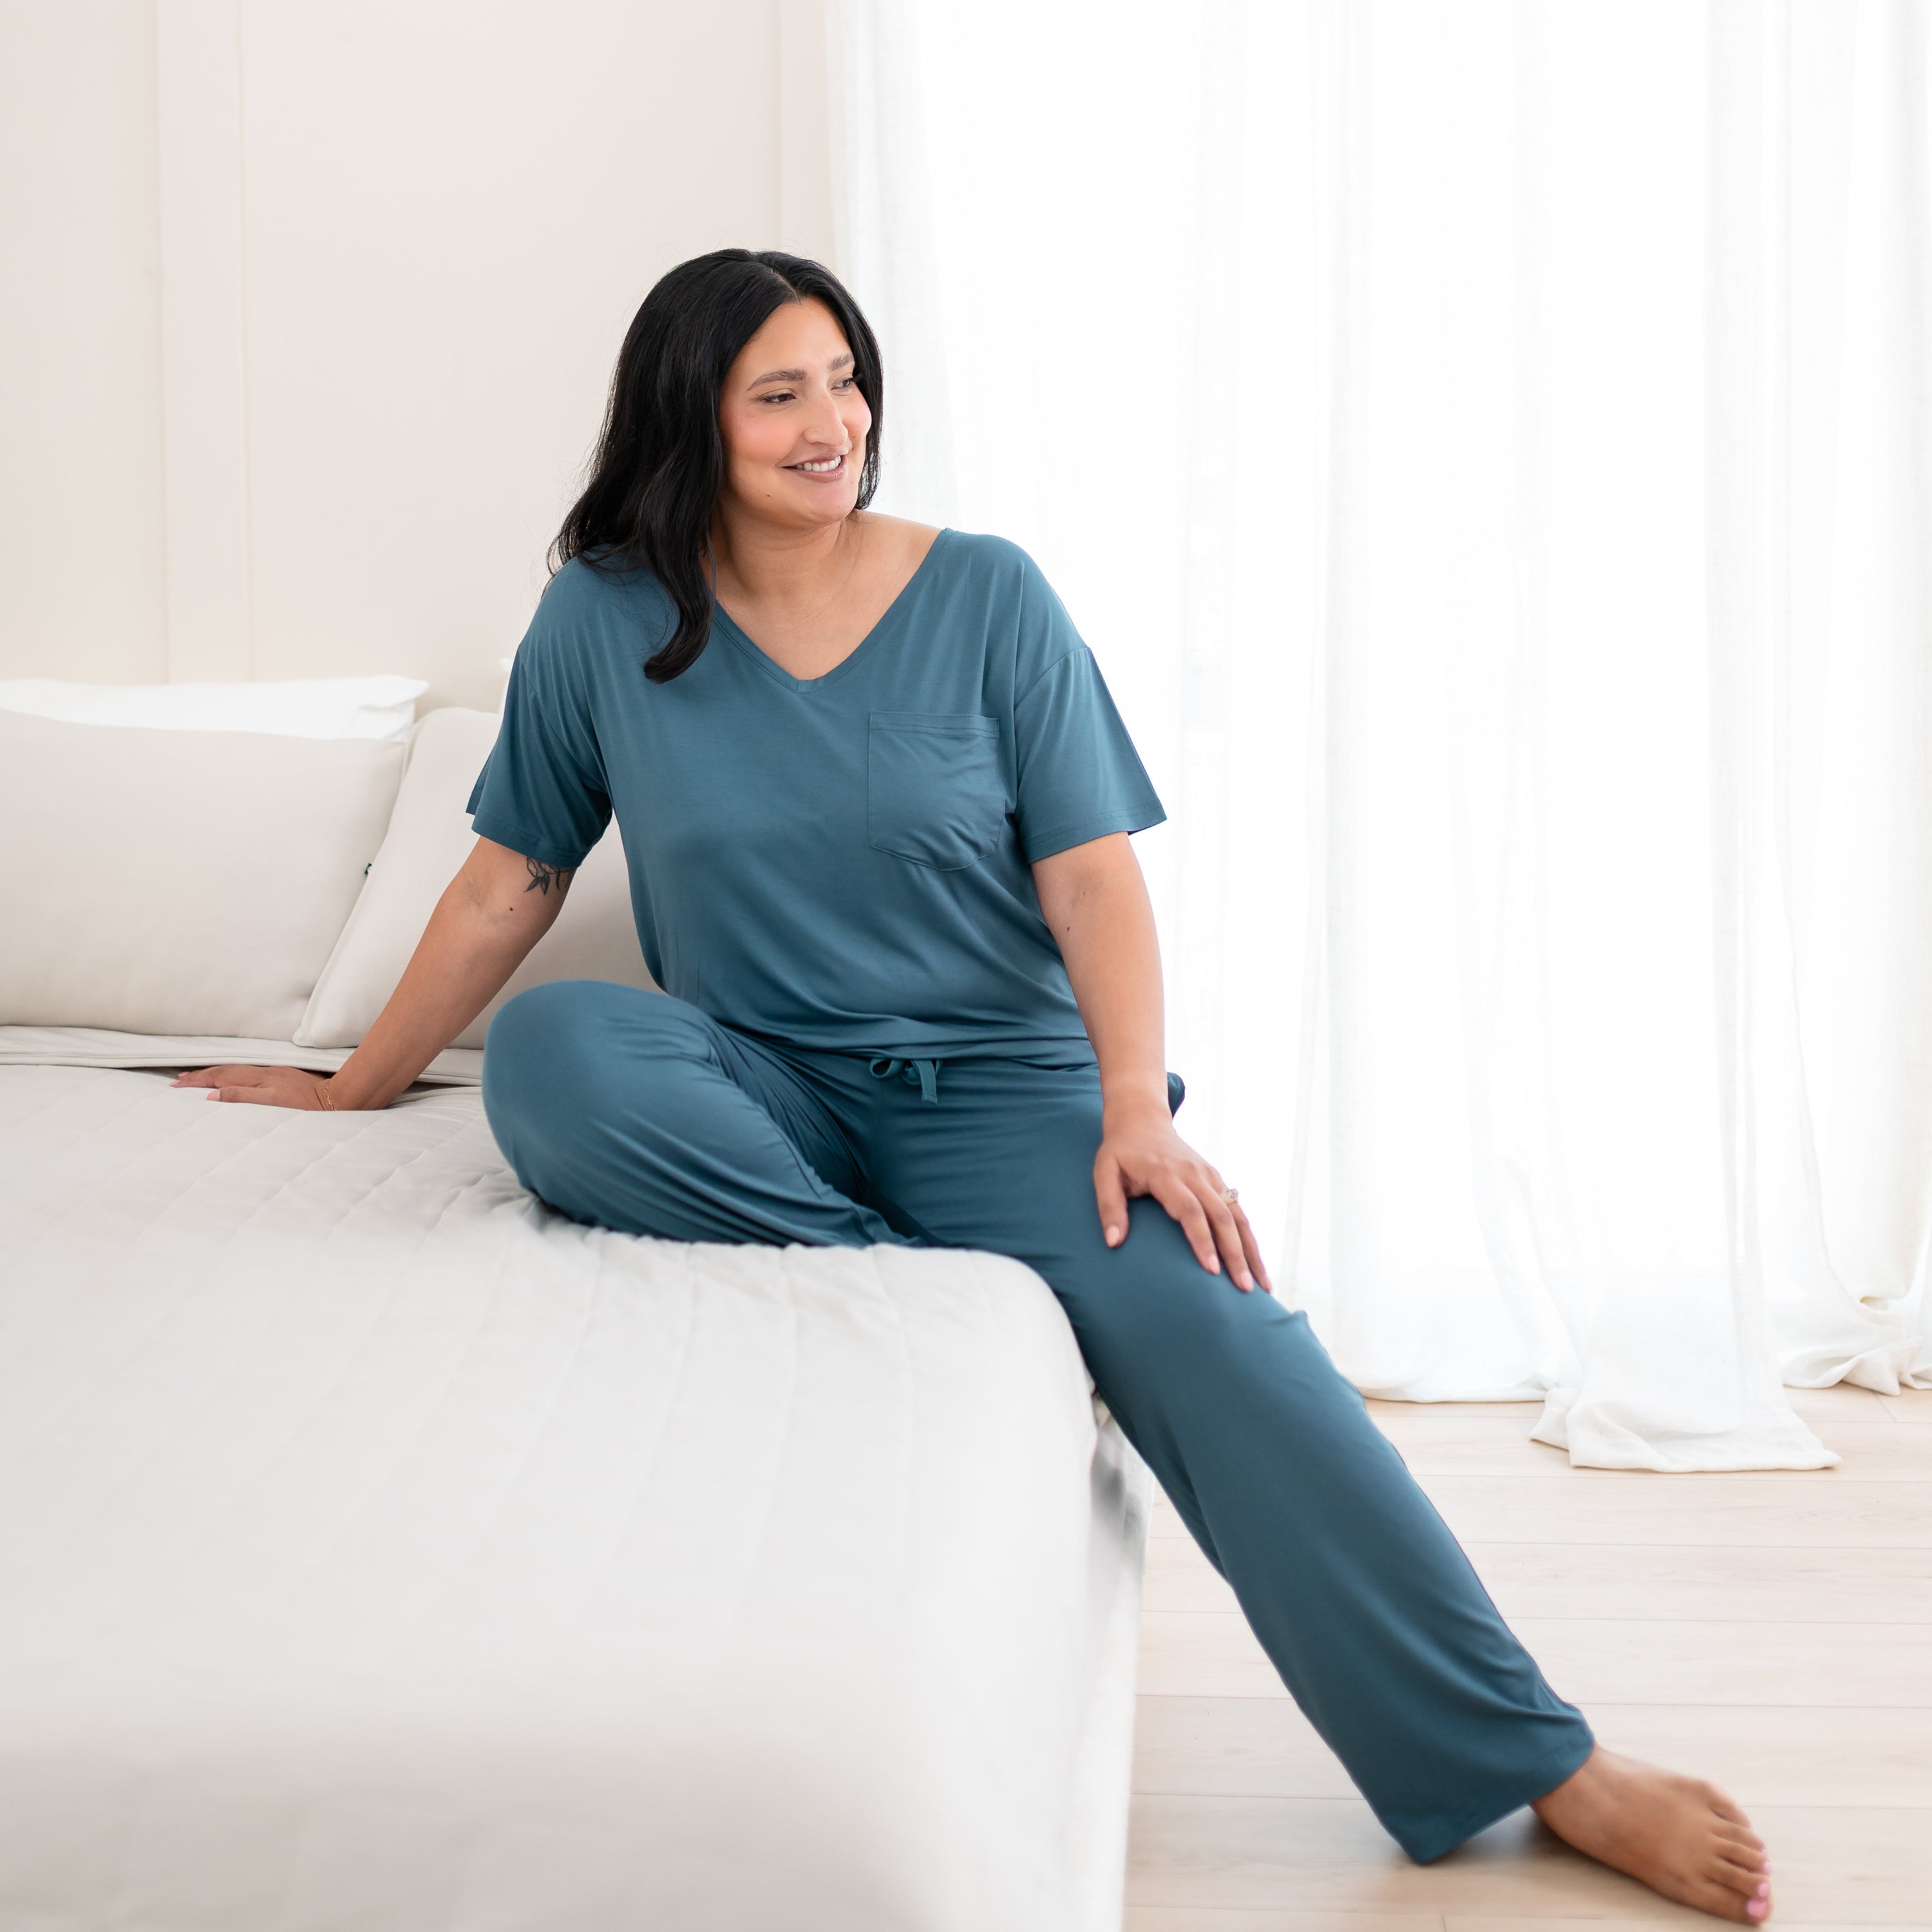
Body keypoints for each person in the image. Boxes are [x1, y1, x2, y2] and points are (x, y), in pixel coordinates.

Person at [175, 249, 1773, 1923]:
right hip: (762, 1090)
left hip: (1010, 1096)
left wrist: (1136, 1111)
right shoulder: (604, 619)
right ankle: (918, 1279)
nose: (831, 424)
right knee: (569, 1051)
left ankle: (1543, 1763)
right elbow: (511, 880)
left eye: (846, 381)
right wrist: (353, 1092)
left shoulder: (990, 593)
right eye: (779, 392)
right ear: (693, 419)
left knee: (1227, 1335)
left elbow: (1094, 883)